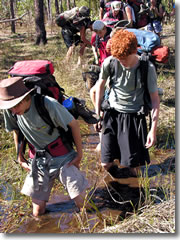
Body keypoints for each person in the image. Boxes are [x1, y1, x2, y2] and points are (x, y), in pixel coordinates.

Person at [0, 77, 91, 217]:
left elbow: (74, 124)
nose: (13, 110)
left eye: (16, 105)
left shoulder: (48, 104)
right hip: (39, 161)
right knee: (37, 213)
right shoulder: (11, 110)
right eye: (10, 106)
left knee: (83, 205)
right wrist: (20, 156)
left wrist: (79, 155)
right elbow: (16, 130)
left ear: (26, 98)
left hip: (63, 157)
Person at [94, 29, 160, 177]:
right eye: (119, 58)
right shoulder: (110, 62)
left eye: (124, 58)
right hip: (112, 114)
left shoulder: (146, 68)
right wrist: (97, 114)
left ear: (134, 51)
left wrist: (152, 130)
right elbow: (100, 86)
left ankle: (135, 193)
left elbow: (155, 100)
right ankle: (118, 183)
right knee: (106, 163)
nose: (121, 61)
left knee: (132, 166)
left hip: (133, 117)